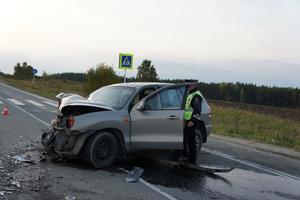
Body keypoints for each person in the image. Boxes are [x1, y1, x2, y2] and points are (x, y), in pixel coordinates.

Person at [183, 80, 202, 165]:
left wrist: (192, 121)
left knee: (186, 140)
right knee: (191, 142)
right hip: (187, 120)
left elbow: (197, 110)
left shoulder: (196, 96)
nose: (188, 87)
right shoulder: (190, 93)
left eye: (189, 85)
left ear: (194, 85)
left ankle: (188, 159)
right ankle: (191, 160)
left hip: (191, 122)